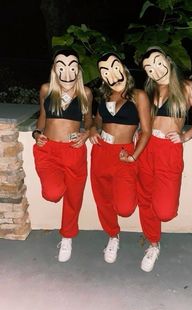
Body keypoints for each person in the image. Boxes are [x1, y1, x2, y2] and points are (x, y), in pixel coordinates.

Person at [138, 47, 192, 272]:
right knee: (145, 198)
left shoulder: (188, 88)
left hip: (169, 150)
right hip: (145, 147)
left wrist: (185, 136)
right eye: (149, 68)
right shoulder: (148, 92)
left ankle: (155, 233)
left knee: (165, 210)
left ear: (168, 60)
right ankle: (153, 243)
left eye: (158, 62)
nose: (154, 70)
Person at [89, 52, 151, 264]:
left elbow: (147, 130)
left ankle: (118, 228)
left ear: (123, 69)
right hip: (101, 151)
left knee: (125, 208)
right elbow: (96, 122)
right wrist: (92, 131)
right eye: (104, 71)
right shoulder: (104, 97)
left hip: (124, 154)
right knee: (102, 199)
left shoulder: (139, 95)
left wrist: (134, 156)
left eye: (115, 67)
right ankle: (113, 236)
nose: (111, 74)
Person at [32, 46, 93, 262]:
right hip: (48, 149)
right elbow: (42, 117)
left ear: (78, 70)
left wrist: (85, 134)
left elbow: (88, 120)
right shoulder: (46, 89)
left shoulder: (85, 92)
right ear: (54, 69)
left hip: (74, 150)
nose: (67, 72)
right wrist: (36, 133)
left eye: (72, 67)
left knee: (74, 197)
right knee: (53, 193)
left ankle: (67, 237)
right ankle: (63, 191)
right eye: (62, 67)